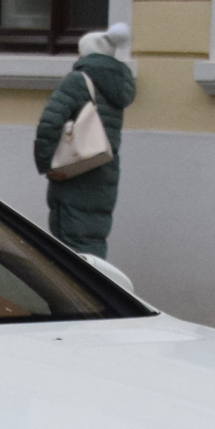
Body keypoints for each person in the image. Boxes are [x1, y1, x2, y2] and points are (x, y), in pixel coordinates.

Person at [31, 23, 134, 257]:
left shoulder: (78, 80)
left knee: (70, 245)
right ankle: (96, 278)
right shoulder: (118, 84)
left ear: (86, 54)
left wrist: (46, 164)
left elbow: (49, 123)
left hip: (74, 170)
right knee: (92, 238)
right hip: (104, 169)